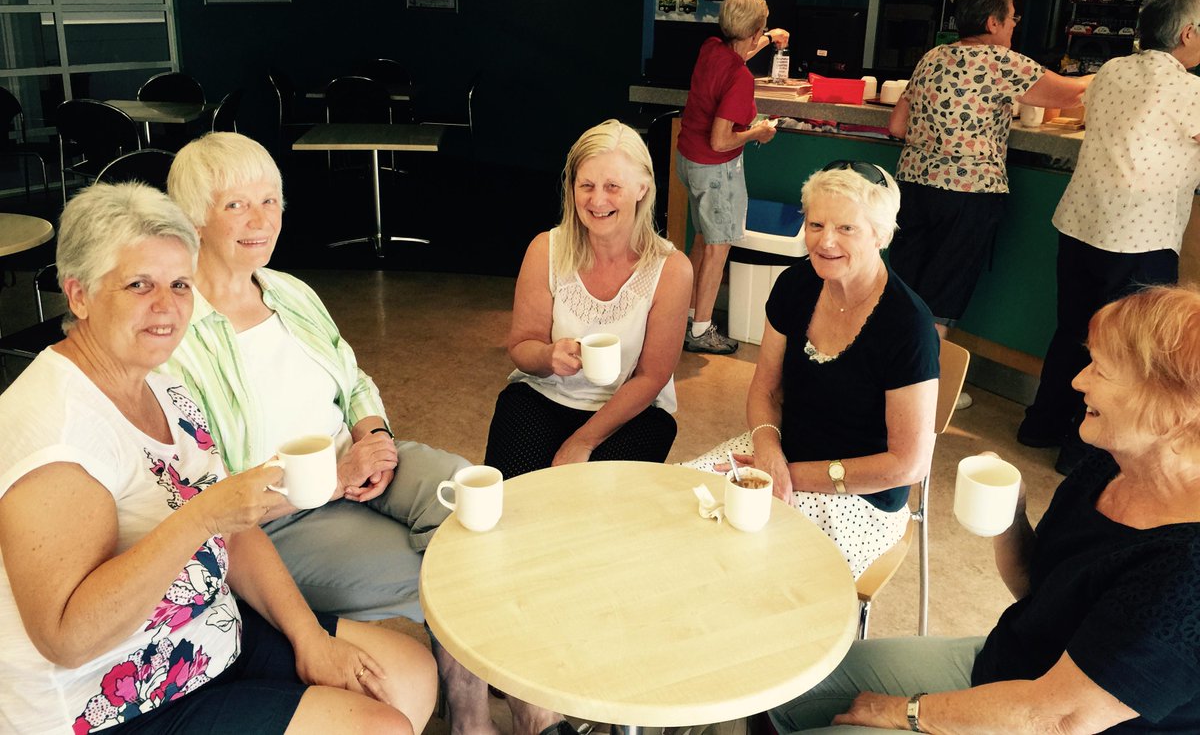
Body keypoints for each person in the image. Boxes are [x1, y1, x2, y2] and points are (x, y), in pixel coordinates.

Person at [0, 183, 436, 734]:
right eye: (139, 285)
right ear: (79, 295)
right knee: (379, 727)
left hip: (206, 634)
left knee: (409, 671)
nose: (166, 307)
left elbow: (234, 529)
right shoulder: (59, 435)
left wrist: (308, 639)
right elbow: (67, 638)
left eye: (180, 284)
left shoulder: (163, 389)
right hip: (109, 697)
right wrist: (204, 516)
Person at [768, 284, 1200, 734]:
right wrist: (1009, 516)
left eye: (1102, 372)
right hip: (1008, 671)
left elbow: (1058, 718)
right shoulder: (1111, 463)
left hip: (1040, 718)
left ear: (1170, 409)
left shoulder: (1188, 568)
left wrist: (902, 711)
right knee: (782, 685)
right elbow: (1038, 589)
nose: (1078, 381)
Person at [161, 131, 470, 623]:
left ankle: (468, 688)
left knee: (469, 496)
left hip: (357, 460)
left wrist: (375, 436)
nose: (261, 220)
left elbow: (354, 380)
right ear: (193, 220)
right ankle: (474, 693)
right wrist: (333, 480)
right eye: (236, 205)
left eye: (269, 200)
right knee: (428, 568)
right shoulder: (175, 337)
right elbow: (209, 497)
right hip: (277, 523)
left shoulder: (289, 292)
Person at [466, 119, 690, 734]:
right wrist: (550, 355)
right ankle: (509, 638)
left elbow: (651, 376)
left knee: (599, 518)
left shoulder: (671, 269)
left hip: (632, 407)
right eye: (585, 185)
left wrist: (583, 441)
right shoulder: (548, 248)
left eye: (613, 186)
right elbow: (520, 345)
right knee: (515, 506)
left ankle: (585, 644)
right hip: (545, 392)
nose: (597, 201)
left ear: (643, 187)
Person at [684, 161, 939, 579]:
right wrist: (767, 452)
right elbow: (765, 391)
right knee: (683, 506)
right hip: (780, 459)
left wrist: (790, 475)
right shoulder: (794, 285)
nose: (826, 241)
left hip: (860, 495)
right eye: (816, 224)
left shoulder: (908, 324)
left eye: (846, 228)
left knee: (761, 573)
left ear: (881, 233)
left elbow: (907, 464)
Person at [1017, 0, 1200, 476]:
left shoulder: (1111, 70)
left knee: (1073, 330)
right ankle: (1083, 453)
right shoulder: (1189, 91)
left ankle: (1040, 426)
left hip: (1080, 224)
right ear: (1187, 33)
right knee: (1122, 350)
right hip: (1139, 237)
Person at [887, 0, 1090, 407]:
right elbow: (1072, 94)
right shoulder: (1002, 62)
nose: (1015, 23)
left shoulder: (932, 57)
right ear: (993, 21)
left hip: (913, 187)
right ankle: (924, 391)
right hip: (969, 194)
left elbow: (896, 126)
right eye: (1012, 16)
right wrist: (1113, 72)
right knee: (944, 290)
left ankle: (888, 375)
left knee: (903, 286)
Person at [676, 0, 787, 354]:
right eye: (762, 30)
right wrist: (759, 132)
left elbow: (740, 52)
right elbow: (722, 140)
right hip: (715, 168)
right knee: (717, 248)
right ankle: (701, 331)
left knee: (702, 240)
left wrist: (770, 39)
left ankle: (686, 317)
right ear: (752, 32)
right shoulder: (740, 78)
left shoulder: (711, 48)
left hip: (689, 161)